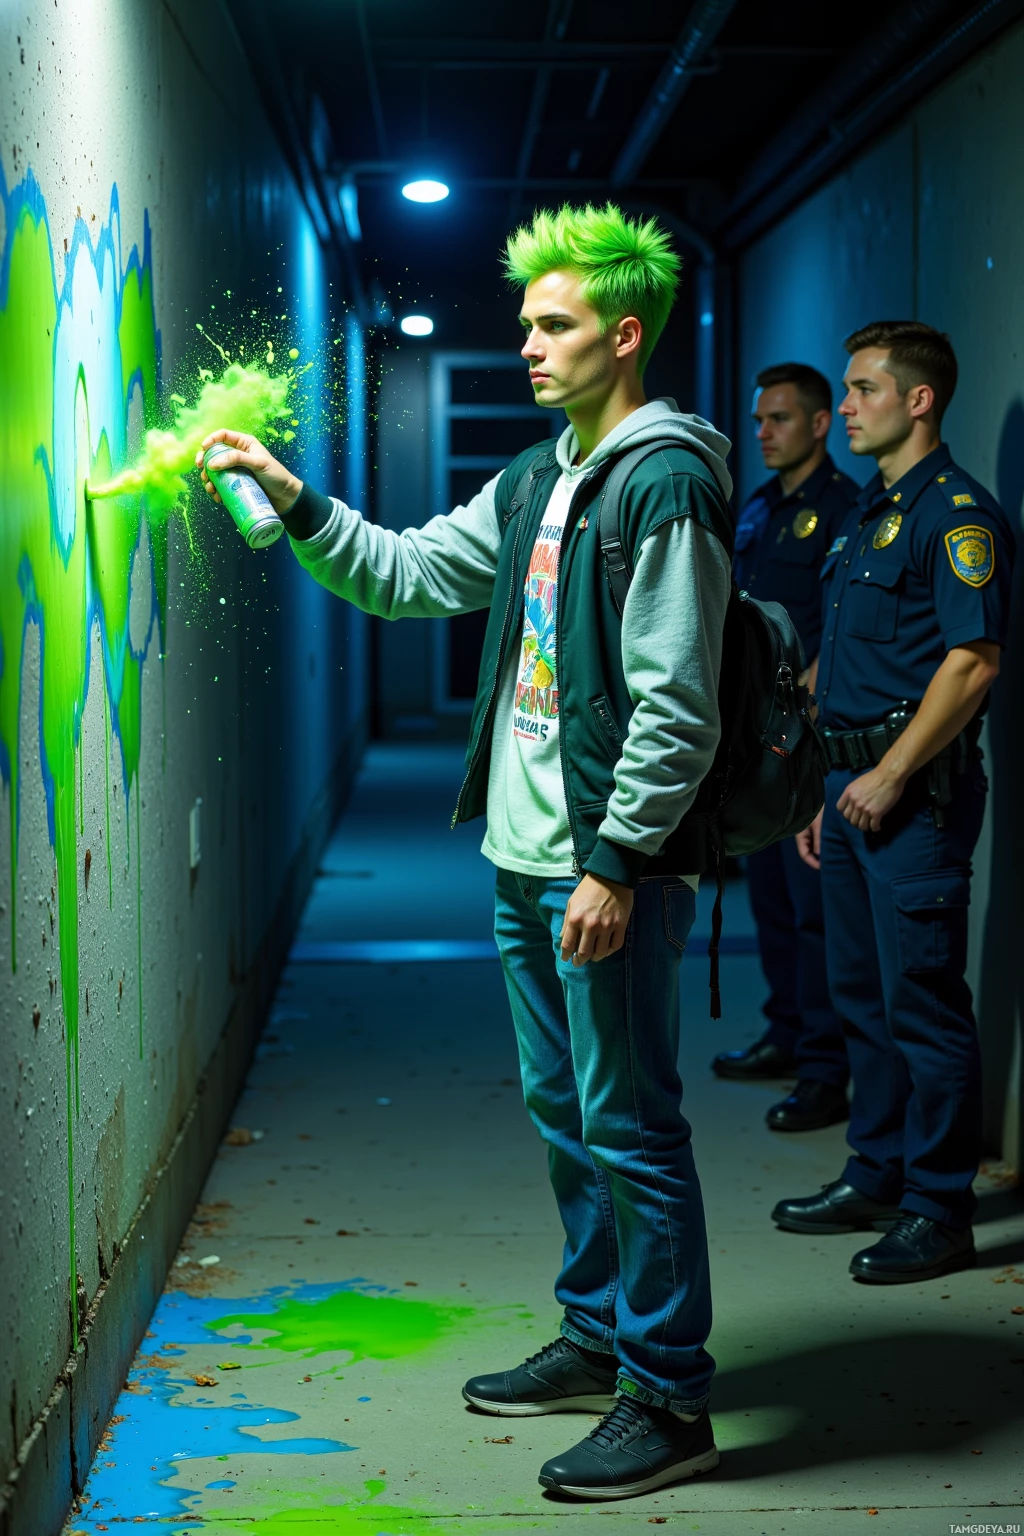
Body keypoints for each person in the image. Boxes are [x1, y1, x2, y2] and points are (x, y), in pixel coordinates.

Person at [197, 204, 734, 1499]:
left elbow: (679, 704)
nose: (529, 348)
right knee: (568, 1114)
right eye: (524, 326)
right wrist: (293, 498)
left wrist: (613, 865)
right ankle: (601, 1334)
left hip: (603, 870)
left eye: (552, 327)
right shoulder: (544, 476)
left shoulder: (663, 481)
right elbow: (411, 573)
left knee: (632, 1121)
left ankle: (669, 1395)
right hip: (522, 855)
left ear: (623, 333)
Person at [773, 320, 1013, 1283]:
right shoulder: (871, 514)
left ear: (918, 400)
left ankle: (938, 1206)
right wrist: (818, 786)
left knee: (923, 1006)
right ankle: (876, 1170)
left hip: (913, 801)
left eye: (865, 390)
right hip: (846, 786)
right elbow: (844, 653)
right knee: (860, 996)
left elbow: (974, 661)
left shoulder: (956, 516)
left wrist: (889, 773)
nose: (849, 408)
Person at [711, 364, 856, 1132]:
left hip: (804, 743)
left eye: (779, 419)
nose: (762, 432)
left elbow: (837, 629)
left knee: (811, 910)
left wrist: (795, 704)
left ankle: (825, 1069)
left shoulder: (843, 510)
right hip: (751, 741)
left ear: (822, 422)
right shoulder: (759, 509)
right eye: (760, 418)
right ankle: (786, 1032)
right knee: (765, 895)